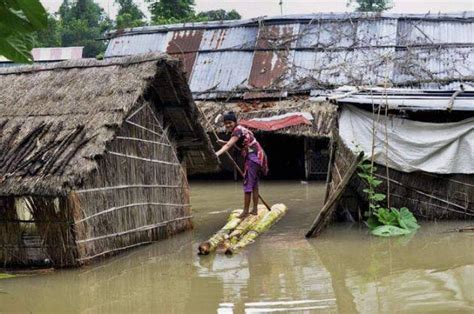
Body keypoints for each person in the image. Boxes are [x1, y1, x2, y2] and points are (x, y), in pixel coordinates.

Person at [215, 112, 268, 218]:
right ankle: (255, 210)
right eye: (226, 123)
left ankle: (245, 212)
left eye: (230, 122)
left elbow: (230, 144)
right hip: (259, 157)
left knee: (248, 185)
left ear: (235, 122)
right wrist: (224, 143)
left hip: (253, 158)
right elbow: (236, 143)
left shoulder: (237, 130)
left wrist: (216, 154)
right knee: (254, 185)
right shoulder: (240, 130)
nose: (228, 125)